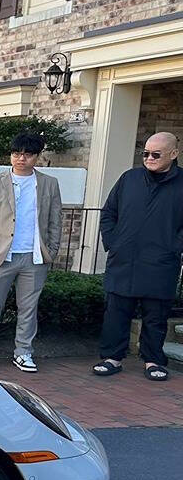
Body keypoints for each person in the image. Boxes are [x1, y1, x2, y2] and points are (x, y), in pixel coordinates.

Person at [93, 131, 183, 382]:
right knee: (116, 313)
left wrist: (173, 247)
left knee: (156, 316)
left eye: (156, 154)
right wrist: (113, 242)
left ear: (174, 154)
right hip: (124, 260)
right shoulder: (129, 179)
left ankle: (153, 360)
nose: (149, 158)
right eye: (145, 154)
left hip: (161, 263)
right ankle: (112, 358)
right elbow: (109, 213)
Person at [0, 131, 63, 373]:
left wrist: (51, 251)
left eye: (27, 154)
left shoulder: (49, 183)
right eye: (16, 154)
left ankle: (23, 352)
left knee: (28, 308)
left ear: (36, 156)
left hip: (34, 257)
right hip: (1, 256)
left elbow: (56, 219)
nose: (21, 159)